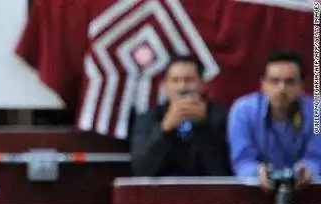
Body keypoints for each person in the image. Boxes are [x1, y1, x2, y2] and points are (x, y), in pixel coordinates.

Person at [227, 50, 319, 191]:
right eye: (274, 81)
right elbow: (242, 161)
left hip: (306, 191)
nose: (281, 89)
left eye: (289, 82)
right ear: (263, 84)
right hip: (256, 191)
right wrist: (256, 172)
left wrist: (308, 169)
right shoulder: (242, 111)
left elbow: (317, 157)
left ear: (301, 86)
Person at [128, 55, 230, 177]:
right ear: (165, 87)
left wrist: (203, 127)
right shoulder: (148, 119)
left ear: (203, 85)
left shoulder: (219, 116)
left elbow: (221, 170)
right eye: (175, 80)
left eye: (189, 80)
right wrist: (164, 130)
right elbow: (141, 170)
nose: (182, 87)